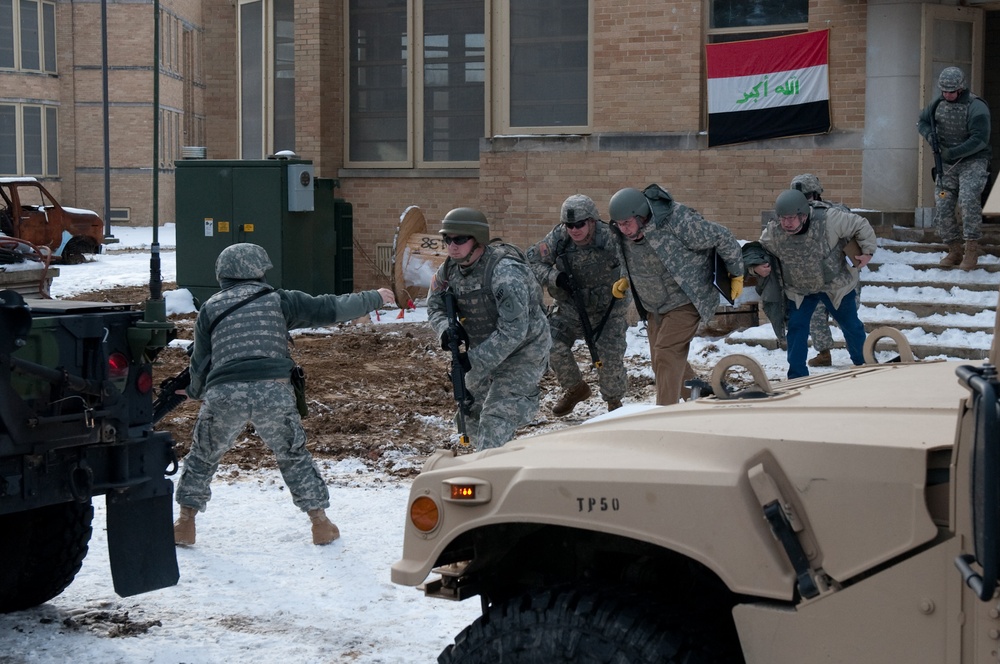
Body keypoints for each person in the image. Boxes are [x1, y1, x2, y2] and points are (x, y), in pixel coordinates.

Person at [173, 242, 395, 547]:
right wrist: (373, 299)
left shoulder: (210, 308)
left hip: (225, 393)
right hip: (273, 391)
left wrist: (195, 392)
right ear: (256, 271)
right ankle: (320, 524)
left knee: (203, 455)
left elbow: (199, 363)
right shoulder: (278, 300)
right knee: (292, 455)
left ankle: (185, 524)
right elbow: (329, 308)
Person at [427, 207, 550, 451]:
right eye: (447, 239)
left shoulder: (505, 273)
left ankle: (489, 473)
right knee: (468, 411)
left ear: (478, 238)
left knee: (496, 417)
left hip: (524, 351)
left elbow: (513, 332)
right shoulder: (449, 270)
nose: (452, 246)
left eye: (460, 239)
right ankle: (480, 462)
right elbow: (434, 305)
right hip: (483, 348)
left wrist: (471, 362)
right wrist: (445, 330)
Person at [608, 185, 744, 406]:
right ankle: (697, 393)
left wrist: (736, 272)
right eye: (618, 224)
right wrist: (626, 278)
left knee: (666, 353)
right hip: (654, 304)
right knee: (660, 361)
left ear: (641, 216)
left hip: (686, 298)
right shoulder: (622, 232)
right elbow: (627, 255)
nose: (622, 229)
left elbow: (723, 237)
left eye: (626, 223)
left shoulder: (677, 222)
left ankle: (665, 413)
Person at [753, 189, 876, 379]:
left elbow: (860, 224)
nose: (786, 223)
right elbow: (758, 250)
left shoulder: (830, 220)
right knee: (796, 328)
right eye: (782, 218)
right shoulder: (774, 231)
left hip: (836, 285)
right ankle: (797, 375)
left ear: (803, 214)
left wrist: (867, 251)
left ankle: (864, 366)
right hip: (800, 289)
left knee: (851, 325)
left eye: (791, 218)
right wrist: (757, 266)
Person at [527, 194, 630, 416]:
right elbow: (533, 262)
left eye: (580, 224)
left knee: (609, 364)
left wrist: (624, 282)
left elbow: (634, 261)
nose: (574, 230)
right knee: (549, 341)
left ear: (592, 221)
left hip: (608, 311)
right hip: (571, 309)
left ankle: (614, 405)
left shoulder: (611, 237)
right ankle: (575, 389)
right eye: (569, 225)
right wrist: (555, 277)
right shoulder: (559, 238)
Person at [917, 66, 992, 271]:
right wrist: (930, 136)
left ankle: (971, 249)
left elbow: (980, 139)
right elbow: (921, 121)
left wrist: (954, 152)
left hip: (973, 161)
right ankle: (954, 249)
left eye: (951, 91)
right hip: (947, 166)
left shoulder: (976, 107)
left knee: (968, 201)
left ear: (960, 88)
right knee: (943, 205)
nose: (947, 95)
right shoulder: (937, 104)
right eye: (944, 91)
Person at [791, 173, 854, 368]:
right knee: (817, 317)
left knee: (847, 319)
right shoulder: (793, 216)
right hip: (813, 277)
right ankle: (824, 353)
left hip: (837, 277)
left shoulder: (835, 212)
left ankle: (859, 354)